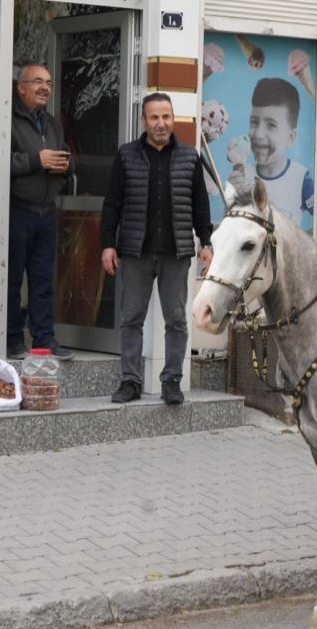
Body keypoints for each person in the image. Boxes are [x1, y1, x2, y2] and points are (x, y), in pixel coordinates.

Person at [101, 93, 214, 405]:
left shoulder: (191, 157)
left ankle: (172, 381)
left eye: (166, 117)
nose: (161, 123)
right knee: (131, 318)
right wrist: (107, 244)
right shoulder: (126, 156)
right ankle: (130, 381)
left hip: (175, 253)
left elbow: (200, 206)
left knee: (177, 320)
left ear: (173, 118)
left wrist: (206, 242)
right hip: (135, 253)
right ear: (144, 121)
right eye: (154, 117)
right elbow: (112, 205)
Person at [9, 63, 74, 360]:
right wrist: (37, 160)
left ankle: (44, 340)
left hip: (46, 212)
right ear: (21, 86)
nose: (44, 87)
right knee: (11, 280)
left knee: (43, 281)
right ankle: (11, 340)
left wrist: (65, 165)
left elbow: (61, 157)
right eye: (37, 81)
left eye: (48, 82)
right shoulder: (7, 118)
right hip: (17, 210)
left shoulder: (51, 123)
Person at [225, 78, 313, 230]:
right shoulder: (242, 176)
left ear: (291, 137)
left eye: (271, 125)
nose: (258, 134)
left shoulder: (301, 179)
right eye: (254, 122)